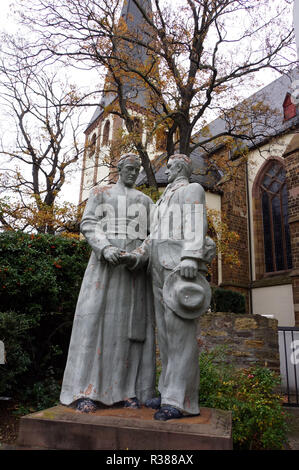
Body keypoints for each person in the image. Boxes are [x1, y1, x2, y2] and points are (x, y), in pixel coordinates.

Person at [122, 154, 216, 420]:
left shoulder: (191, 189)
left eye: (172, 166)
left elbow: (197, 223)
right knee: (164, 334)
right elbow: (153, 236)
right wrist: (139, 254)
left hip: (179, 266)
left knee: (181, 335)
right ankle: (167, 392)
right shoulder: (163, 199)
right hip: (157, 266)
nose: (168, 170)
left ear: (182, 168)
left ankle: (181, 400)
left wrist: (191, 257)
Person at [60, 154, 156, 413]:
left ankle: (127, 391)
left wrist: (140, 255)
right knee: (95, 327)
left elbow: (156, 235)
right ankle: (87, 390)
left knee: (128, 331)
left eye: (136, 170)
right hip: (104, 270)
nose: (133, 173)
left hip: (132, 273)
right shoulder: (100, 192)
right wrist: (104, 248)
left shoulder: (146, 201)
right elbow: (89, 223)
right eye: (128, 168)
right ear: (119, 169)